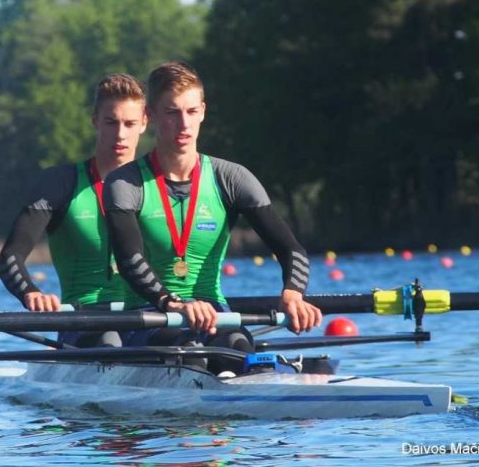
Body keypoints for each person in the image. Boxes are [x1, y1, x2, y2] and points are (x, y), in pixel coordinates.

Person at [103, 61, 321, 367]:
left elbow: (290, 249)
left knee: (238, 348)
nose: (184, 124)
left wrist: (294, 292)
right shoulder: (125, 182)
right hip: (150, 317)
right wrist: (173, 304)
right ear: (150, 116)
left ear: (203, 111)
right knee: (191, 355)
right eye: (172, 113)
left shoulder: (231, 178)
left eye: (192, 112)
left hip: (217, 315)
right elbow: (129, 260)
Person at [0, 73, 148, 347]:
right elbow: (10, 259)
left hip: (146, 318)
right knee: (110, 342)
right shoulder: (59, 183)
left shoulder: (157, 186)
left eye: (129, 123)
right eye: (111, 122)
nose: (120, 134)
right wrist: (31, 292)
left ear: (144, 124)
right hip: (84, 321)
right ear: (94, 121)